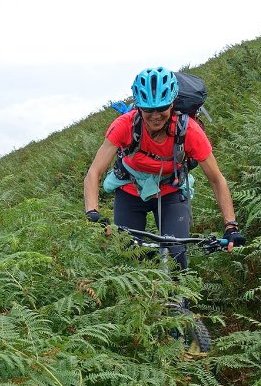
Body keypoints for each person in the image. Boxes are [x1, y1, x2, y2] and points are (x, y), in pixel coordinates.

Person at [83, 67, 245, 267]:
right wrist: (92, 212)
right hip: (130, 192)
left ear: (172, 103)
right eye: (148, 109)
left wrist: (231, 226)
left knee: (176, 253)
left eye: (162, 108)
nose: (155, 115)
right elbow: (94, 172)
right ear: (139, 107)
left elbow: (216, 179)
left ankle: (178, 298)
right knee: (128, 255)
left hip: (171, 191)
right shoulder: (124, 125)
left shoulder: (189, 131)